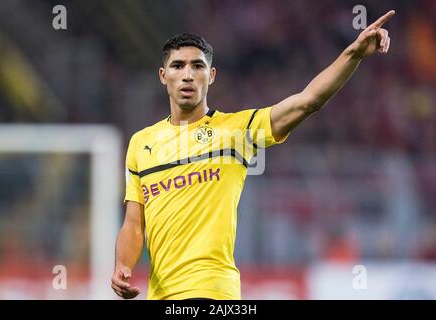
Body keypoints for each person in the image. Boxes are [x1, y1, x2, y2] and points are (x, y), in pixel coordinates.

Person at [111, 10, 395, 300]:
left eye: (197, 66)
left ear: (211, 75)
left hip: (213, 292)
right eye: (177, 66)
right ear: (163, 75)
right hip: (160, 295)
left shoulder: (235, 130)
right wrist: (123, 264)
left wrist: (353, 54)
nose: (187, 74)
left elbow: (307, 101)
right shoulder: (141, 143)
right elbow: (134, 224)